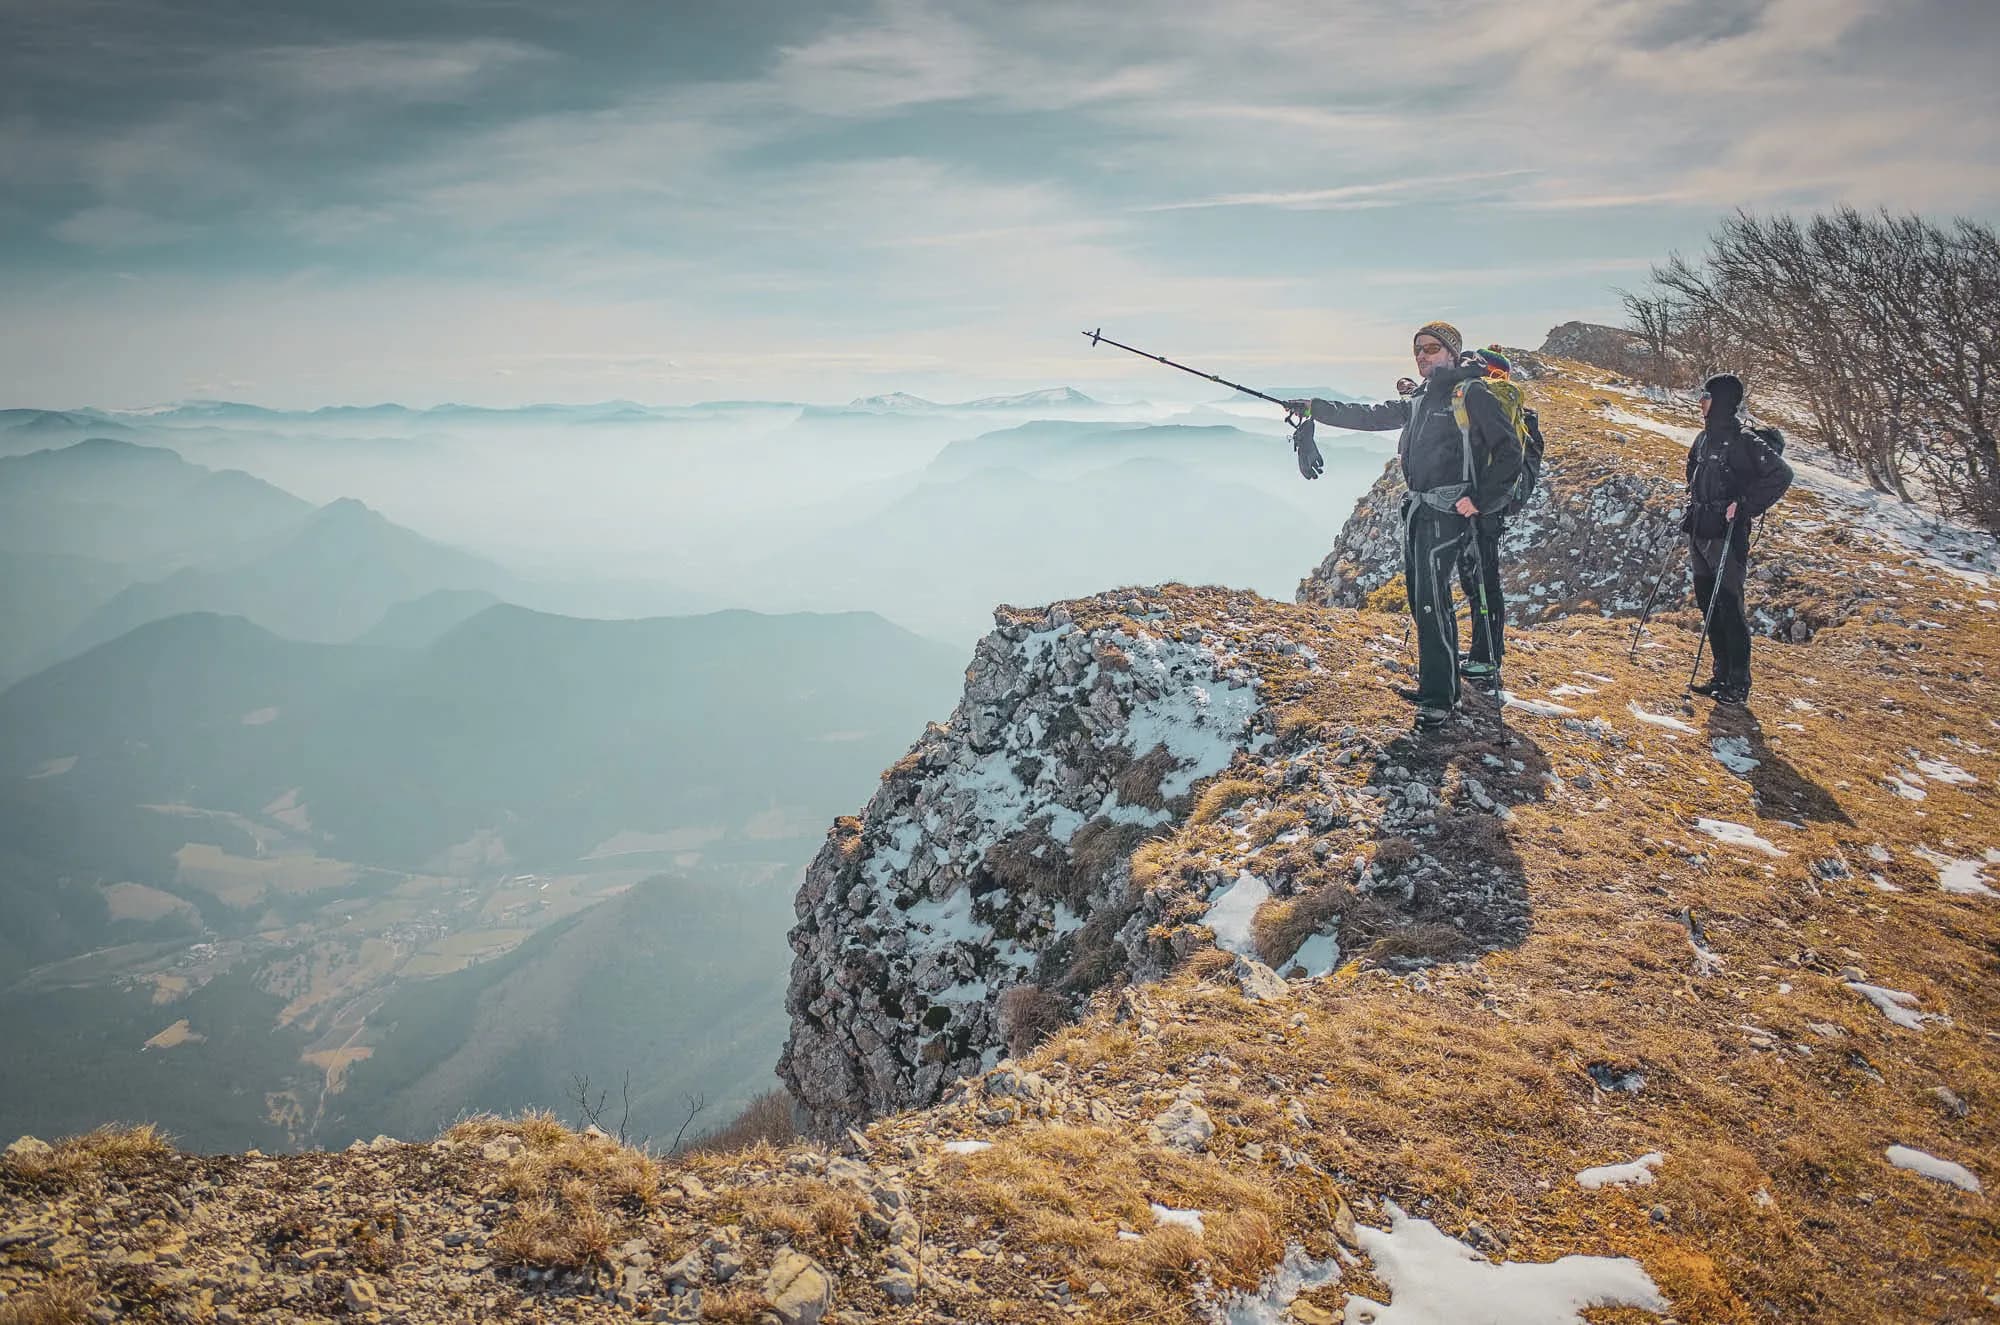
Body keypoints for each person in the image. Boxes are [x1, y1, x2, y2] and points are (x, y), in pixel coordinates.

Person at [1290, 322, 1521, 730]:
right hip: (1420, 509)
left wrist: (1481, 501)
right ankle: (1440, 686)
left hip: (1448, 511)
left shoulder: (1472, 393)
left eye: (1431, 348)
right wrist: (1315, 408)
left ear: (1452, 352)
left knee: (1432, 599)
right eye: (1417, 349)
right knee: (1422, 598)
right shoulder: (1420, 398)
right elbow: (1370, 416)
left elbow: (1509, 452)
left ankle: (1438, 698)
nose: (1422, 355)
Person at [1681, 373, 1792, 705]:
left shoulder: (1744, 441)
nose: (1701, 401)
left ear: (1723, 401)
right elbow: (1692, 469)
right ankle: (1720, 675)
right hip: (1700, 527)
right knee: (1707, 601)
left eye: (1707, 395)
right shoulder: (1703, 438)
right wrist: (1695, 496)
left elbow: (1781, 475)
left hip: (1727, 534)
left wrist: (1743, 506)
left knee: (1729, 605)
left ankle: (1738, 684)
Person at [1454, 348, 1516, 688]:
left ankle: (1487, 657)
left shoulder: (1488, 405)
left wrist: (1480, 500)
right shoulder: (1498, 406)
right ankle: (1483, 650)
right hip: (1486, 506)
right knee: (1476, 580)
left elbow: (1511, 458)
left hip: (1483, 508)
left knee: (1483, 581)